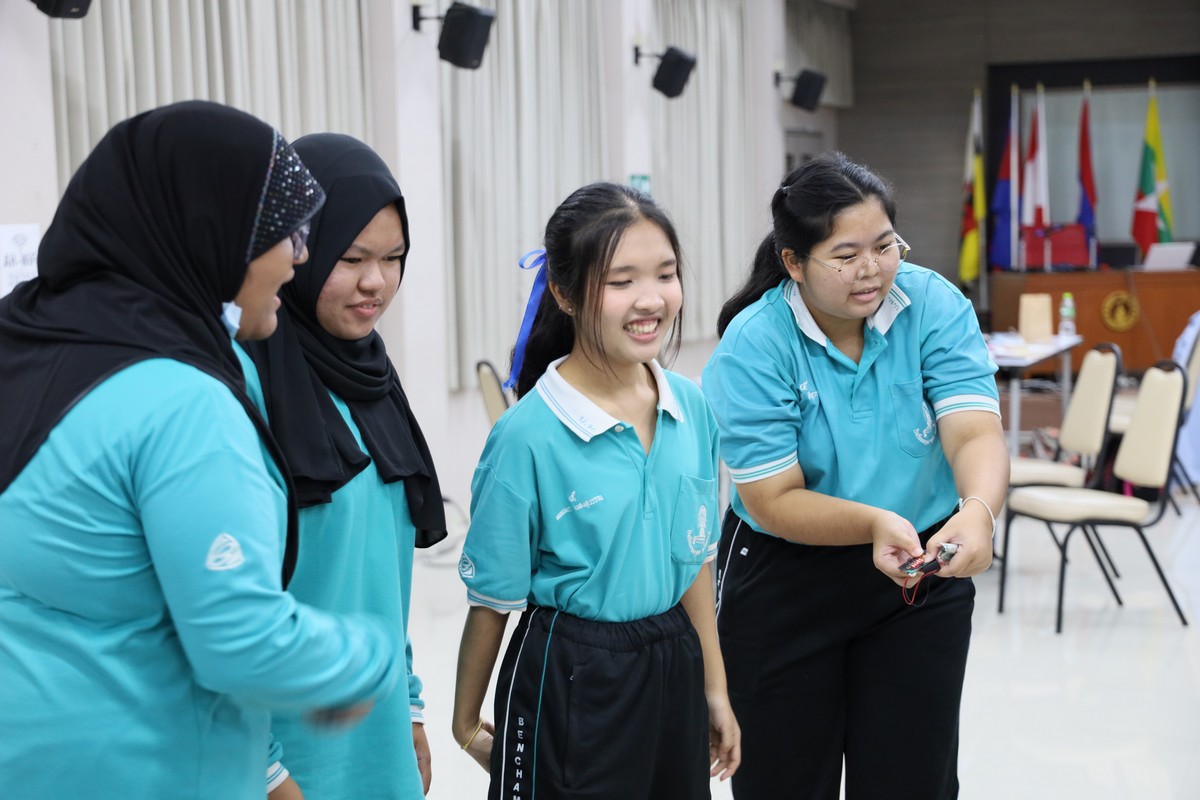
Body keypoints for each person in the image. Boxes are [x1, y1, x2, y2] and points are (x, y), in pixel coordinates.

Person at [0, 101, 402, 799]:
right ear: (212, 232)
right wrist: (369, 658)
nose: (298, 257)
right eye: (283, 233)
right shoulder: (181, 401)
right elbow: (241, 643)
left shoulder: (28, 346)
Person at [701, 152, 1008, 800]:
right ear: (793, 262)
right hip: (787, 579)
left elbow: (974, 431)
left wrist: (978, 510)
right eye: (845, 255)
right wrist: (873, 522)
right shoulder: (756, 343)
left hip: (919, 572)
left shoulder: (931, 303)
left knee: (913, 779)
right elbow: (774, 498)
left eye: (884, 245)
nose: (871, 269)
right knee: (785, 781)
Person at [452, 182, 741, 799]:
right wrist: (464, 720)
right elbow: (492, 599)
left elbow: (695, 558)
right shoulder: (527, 435)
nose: (650, 299)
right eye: (620, 281)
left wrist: (714, 688)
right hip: (571, 672)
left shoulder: (690, 407)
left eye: (666, 274)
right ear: (563, 293)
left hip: (674, 659)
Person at [239, 132, 447, 799]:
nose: (375, 282)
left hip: (377, 739)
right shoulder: (243, 384)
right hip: (279, 758)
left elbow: (379, 577)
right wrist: (266, 770)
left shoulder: (372, 378)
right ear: (296, 251)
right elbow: (221, 605)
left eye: (393, 258)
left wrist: (409, 704)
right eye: (351, 258)